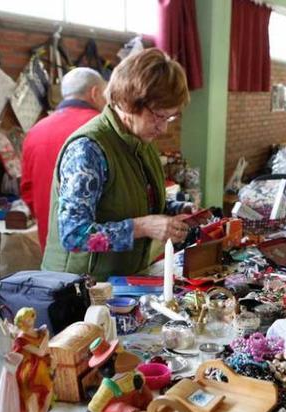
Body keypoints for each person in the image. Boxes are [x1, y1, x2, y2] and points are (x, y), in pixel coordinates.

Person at [41, 48, 194, 281]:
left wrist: (176, 211)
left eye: (169, 117)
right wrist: (143, 227)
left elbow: (134, 201)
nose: (163, 128)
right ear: (127, 101)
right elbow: (74, 234)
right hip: (76, 290)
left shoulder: (139, 142)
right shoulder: (88, 149)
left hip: (120, 282)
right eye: (158, 116)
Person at [21, 67, 107, 253]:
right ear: (95, 92)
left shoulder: (35, 131)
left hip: (51, 244)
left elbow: (27, 190)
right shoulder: (103, 128)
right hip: (96, 249)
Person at [11, 307, 54, 412]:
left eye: (31, 316)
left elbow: (45, 351)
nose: (30, 319)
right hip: (30, 377)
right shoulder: (21, 339)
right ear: (21, 321)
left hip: (43, 374)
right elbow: (40, 352)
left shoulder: (38, 333)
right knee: (33, 411)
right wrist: (46, 336)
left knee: (44, 407)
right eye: (27, 318)